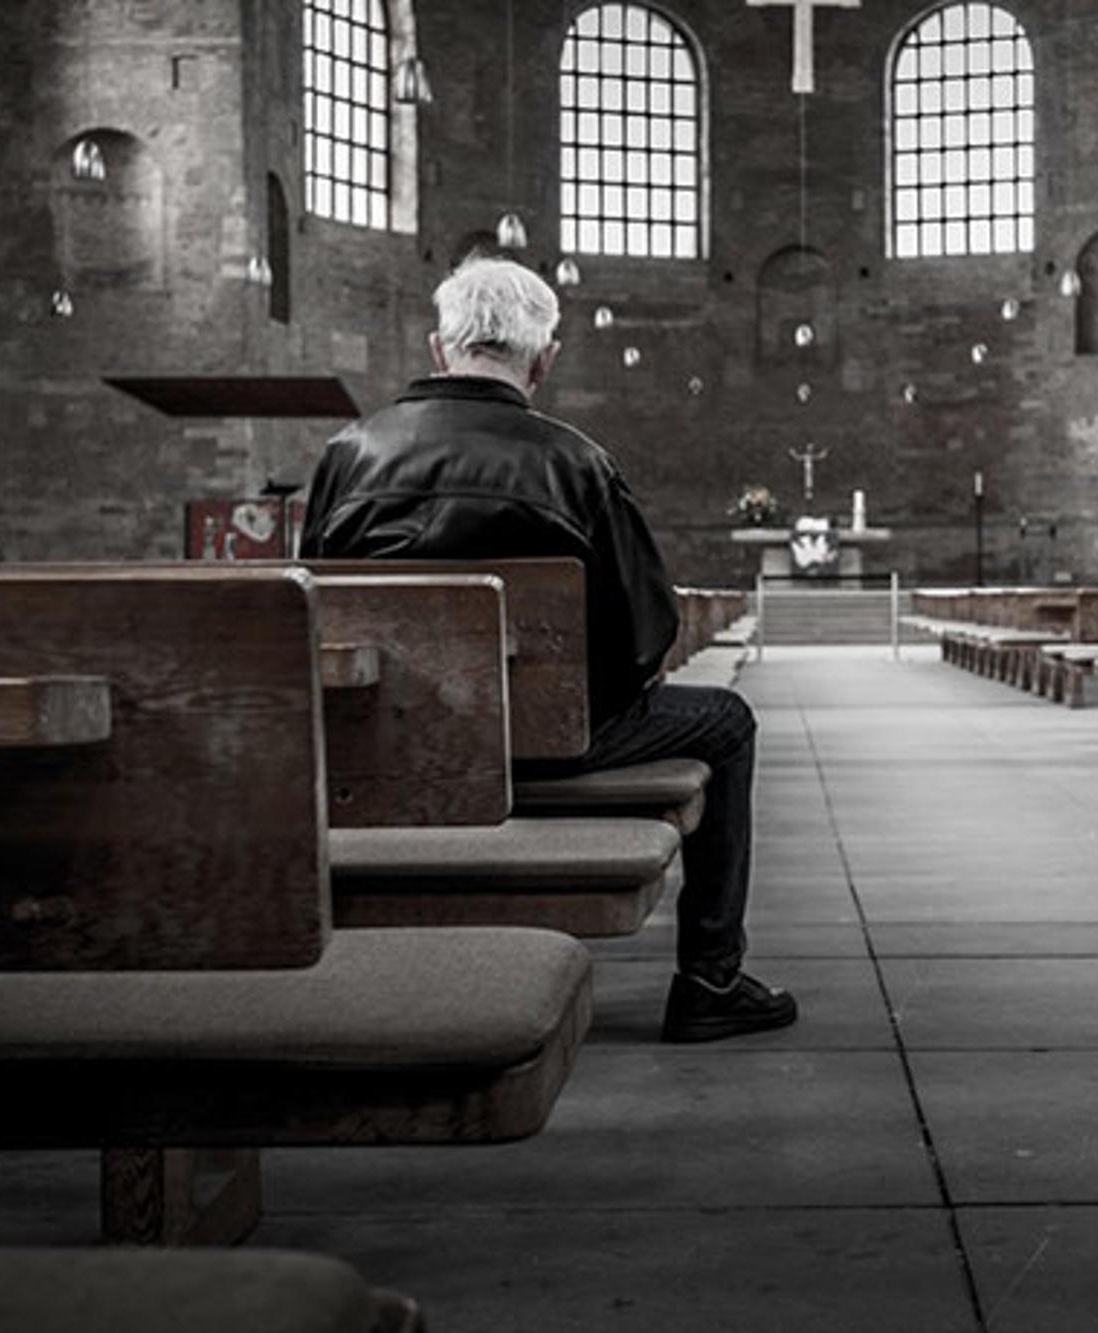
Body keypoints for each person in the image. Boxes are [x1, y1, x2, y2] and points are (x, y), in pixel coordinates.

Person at [299, 255, 796, 1043]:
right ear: (545, 358)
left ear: (438, 348)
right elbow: (648, 634)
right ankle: (711, 977)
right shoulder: (578, 461)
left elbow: (317, 616)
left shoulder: (347, 455)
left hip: (396, 749)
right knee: (727, 720)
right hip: (559, 747)